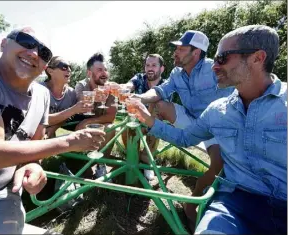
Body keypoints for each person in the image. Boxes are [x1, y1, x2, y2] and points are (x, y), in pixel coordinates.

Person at [133, 25, 287, 234]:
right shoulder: (217, 110)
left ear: (257, 58)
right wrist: (144, 115)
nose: (215, 67)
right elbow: (184, 135)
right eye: (214, 60)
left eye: (222, 58)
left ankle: (192, 201)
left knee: (218, 163)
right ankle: (154, 168)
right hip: (234, 202)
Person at [0, 26, 105, 234]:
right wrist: (70, 142)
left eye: (44, 53)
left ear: (44, 65)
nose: (34, 53)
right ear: (3, 43)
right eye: (26, 42)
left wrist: (34, 166)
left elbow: (35, 146)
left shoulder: (41, 95)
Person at [132, 30, 234, 226]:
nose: (175, 52)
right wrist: (140, 97)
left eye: (180, 48)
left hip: (216, 126)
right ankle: (147, 152)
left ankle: (192, 202)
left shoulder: (215, 70)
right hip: (190, 119)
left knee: (219, 166)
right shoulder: (176, 72)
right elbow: (161, 90)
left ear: (196, 52)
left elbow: (234, 99)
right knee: (159, 104)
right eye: (176, 48)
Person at [120, 53, 171, 181]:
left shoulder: (167, 84)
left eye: (154, 65)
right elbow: (130, 84)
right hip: (137, 119)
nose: (150, 68)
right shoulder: (139, 78)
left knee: (156, 121)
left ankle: (147, 162)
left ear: (162, 69)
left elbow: (164, 109)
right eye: (147, 65)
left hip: (155, 120)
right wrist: (124, 88)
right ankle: (135, 158)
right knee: (127, 130)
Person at [74, 53, 117, 179]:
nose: (104, 73)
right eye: (99, 70)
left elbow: (111, 116)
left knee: (111, 127)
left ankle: (101, 164)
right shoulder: (81, 85)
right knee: (82, 127)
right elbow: (83, 106)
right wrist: (95, 95)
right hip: (80, 121)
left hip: (98, 123)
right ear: (89, 73)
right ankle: (81, 164)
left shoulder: (110, 87)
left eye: (105, 69)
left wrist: (88, 122)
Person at [40, 56, 92, 138]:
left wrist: (55, 126)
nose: (69, 70)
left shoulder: (71, 93)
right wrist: (73, 110)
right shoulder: (39, 90)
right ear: (50, 71)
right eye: (64, 67)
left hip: (49, 132)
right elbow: (39, 119)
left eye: (70, 67)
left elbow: (68, 116)